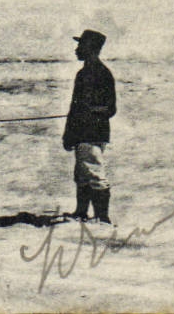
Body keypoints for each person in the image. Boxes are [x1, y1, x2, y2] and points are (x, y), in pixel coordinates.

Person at [63, 28, 117, 223]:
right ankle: (81, 213)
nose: (77, 49)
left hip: (92, 132)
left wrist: (89, 112)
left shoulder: (102, 73)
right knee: (82, 174)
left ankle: (103, 218)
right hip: (81, 132)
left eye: (80, 45)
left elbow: (110, 108)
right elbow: (74, 107)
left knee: (94, 173)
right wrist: (69, 134)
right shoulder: (84, 73)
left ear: (91, 48)